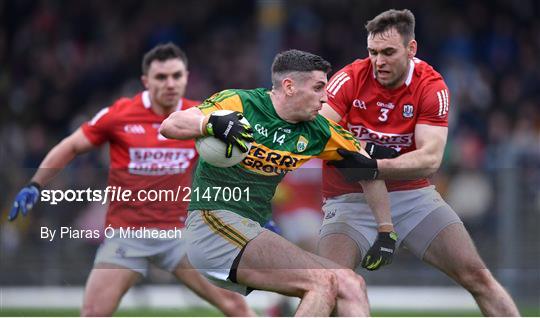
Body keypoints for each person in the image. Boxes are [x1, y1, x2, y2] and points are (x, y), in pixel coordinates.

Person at [8, 43, 254, 317]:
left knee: (235, 306)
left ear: (186, 77)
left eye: (177, 76)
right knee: (92, 313)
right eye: (161, 77)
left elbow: (236, 166)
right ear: (146, 81)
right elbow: (72, 145)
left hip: (180, 236)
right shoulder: (120, 114)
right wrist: (35, 183)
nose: (170, 83)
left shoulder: (202, 118)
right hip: (127, 235)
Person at [159, 49, 394, 316]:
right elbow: (171, 125)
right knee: (322, 281)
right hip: (212, 224)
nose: (325, 98)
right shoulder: (240, 103)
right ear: (289, 86)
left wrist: (386, 230)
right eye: (318, 88)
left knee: (350, 285)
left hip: (252, 229)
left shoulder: (318, 130)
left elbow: (367, 170)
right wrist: (210, 124)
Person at [319, 9, 520, 316]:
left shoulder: (431, 85)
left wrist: (371, 163)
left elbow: (430, 159)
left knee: (477, 276)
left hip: (411, 197)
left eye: (388, 52)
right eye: (372, 52)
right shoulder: (348, 78)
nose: (378, 62)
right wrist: (363, 158)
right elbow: (319, 130)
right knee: (330, 286)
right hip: (351, 199)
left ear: (411, 49)